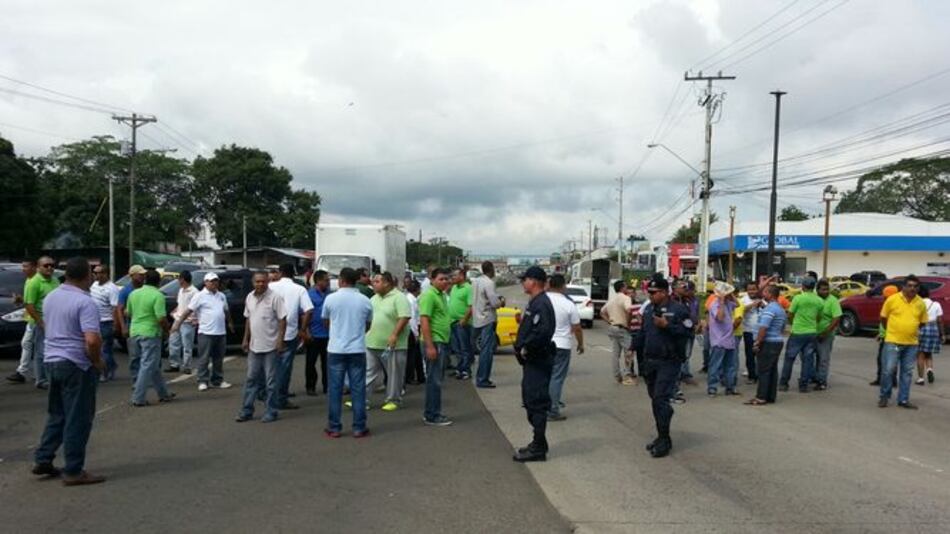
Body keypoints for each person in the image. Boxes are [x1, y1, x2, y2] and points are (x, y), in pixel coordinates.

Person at [31, 257, 107, 486]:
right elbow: (92, 340)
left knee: (58, 414)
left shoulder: (52, 296)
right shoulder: (85, 302)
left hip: (53, 360)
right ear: (87, 276)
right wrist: (97, 362)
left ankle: (43, 458)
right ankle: (74, 470)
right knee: (79, 418)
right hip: (76, 364)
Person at [639, 277, 691, 459]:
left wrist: (668, 325)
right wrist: (632, 349)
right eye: (649, 292)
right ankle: (662, 434)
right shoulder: (648, 309)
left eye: (653, 293)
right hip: (650, 361)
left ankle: (664, 440)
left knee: (660, 399)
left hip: (669, 361)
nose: (650, 295)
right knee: (656, 400)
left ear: (664, 292)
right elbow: (643, 333)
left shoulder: (678, 310)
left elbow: (688, 332)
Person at [322, 267, 373, 438]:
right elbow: (368, 325)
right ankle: (359, 427)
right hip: (357, 348)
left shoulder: (331, 299)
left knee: (335, 389)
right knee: (358, 389)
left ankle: (334, 426)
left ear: (341, 280)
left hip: (336, 348)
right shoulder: (365, 300)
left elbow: (326, 321)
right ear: (356, 280)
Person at [512, 266, 556, 462]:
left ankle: (538, 448)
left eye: (525, 279)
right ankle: (539, 441)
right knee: (529, 400)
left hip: (538, 360)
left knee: (536, 403)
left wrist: (526, 348)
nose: (523, 283)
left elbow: (543, 333)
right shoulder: (535, 302)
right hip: (532, 361)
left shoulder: (542, 304)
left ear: (535, 281)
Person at [237, 271, 287, 423]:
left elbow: (282, 320)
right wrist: (246, 339)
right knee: (251, 379)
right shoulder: (249, 297)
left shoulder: (275, 298)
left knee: (270, 381)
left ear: (267, 282)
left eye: (263, 281)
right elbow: (248, 320)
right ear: (253, 283)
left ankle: (271, 411)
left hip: (271, 346)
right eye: (257, 281)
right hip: (254, 346)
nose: (260, 284)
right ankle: (246, 410)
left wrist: (280, 340)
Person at [173, 272, 234, 391]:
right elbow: (188, 311)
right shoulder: (199, 296)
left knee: (218, 358)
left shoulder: (221, 295)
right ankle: (202, 380)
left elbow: (226, 310)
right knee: (204, 358)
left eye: (215, 280)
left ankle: (217, 380)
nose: (213, 283)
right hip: (206, 332)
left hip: (220, 332)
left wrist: (230, 322)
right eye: (210, 281)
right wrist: (178, 323)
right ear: (205, 282)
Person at [363, 272, 411, 411]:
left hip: (393, 345)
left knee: (394, 373)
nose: (373, 283)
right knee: (368, 372)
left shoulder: (399, 297)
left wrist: (394, 334)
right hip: (372, 342)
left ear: (387, 283)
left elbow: (404, 317)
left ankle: (393, 400)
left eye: (377, 281)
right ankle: (362, 399)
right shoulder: (374, 298)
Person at [878, 275, 928, 409]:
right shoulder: (892, 300)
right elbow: (883, 318)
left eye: (915, 286)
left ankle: (903, 400)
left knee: (907, 373)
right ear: (904, 287)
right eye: (910, 285)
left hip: (911, 344)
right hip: (893, 341)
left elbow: (922, 322)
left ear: (918, 288)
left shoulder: (920, 303)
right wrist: (891, 330)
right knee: (888, 370)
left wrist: (910, 330)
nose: (912, 288)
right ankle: (884, 396)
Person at [269, 263, 313, 410]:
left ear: (280, 272)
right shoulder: (299, 289)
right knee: (285, 368)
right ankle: (281, 398)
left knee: (271, 367)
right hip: (289, 333)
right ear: (293, 273)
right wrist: (303, 329)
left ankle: (269, 394)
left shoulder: (271, 287)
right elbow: (308, 310)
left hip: (271, 333)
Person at [127, 270, 174, 407]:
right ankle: (138, 397)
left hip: (135, 332)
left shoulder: (133, 293)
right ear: (159, 282)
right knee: (148, 365)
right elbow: (161, 318)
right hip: (151, 333)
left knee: (152, 365)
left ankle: (163, 393)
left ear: (145, 280)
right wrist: (167, 330)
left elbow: (128, 312)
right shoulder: (158, 295)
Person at [546, 274, 584, 422]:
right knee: (556, 378)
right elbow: (577, 327)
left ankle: (542, 405)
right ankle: (553, 410)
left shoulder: (543, 300)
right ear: (563, 286)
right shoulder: (568, 304)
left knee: (545, 375)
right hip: (562, 345)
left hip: (544, 343)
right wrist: (580, 344)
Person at [419, 268, 454, 426]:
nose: (445, 282)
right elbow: (424, 321)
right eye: (441, 279)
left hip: (441, 341)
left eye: (447, 279)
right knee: (434, 380)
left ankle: (432, 413)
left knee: (437, 378)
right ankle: (432, 415)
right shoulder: (429, 295)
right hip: (434, 341)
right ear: (432, 280)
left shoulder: (441, 295)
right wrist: (430, 345)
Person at [746, 285, 788, 406]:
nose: (762, 294)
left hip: (768, 342)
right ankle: (770, 396)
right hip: (777, 341)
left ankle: (761, 397)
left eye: (765, 292)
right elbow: (783, 326)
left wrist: (757, 342)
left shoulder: (770, 309)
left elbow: (763, 327)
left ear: (770, 294)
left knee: (763, 370)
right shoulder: (779, 308)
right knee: (772, 370)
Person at [779, 277, 822, 393]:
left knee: (789, 358)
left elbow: (790, 314)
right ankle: (803, 385)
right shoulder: (819, 300)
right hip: (812, 332)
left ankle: (784, 383)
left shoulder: (798, 298)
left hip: (798, 332)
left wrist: (794, 323)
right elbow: (819, 317)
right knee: (808, 360)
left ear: (803, 286)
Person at [23, 256, 60, 389]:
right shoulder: (34, 283)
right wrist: (40, 322)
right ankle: (41, 379)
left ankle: (50, 377)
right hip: (40, 321)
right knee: (41, 351)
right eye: (46, 265)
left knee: (52, 350)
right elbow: (29, 305)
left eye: (51, 265)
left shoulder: (55, 280)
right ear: (38, 267)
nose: (49, 267)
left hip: (54, 320)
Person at [471, 261, 504, 388]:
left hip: (476, 318)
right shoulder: (489, 283)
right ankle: (483, 379)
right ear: (491, 270)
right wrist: (501, 301)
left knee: (479, 348)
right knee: (487, 350)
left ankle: (479, 376)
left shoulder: (476, 281)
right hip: (487, 319)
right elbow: (495, 303)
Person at [6, 259, 38, 384]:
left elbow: (35, 302)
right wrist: (20, 300)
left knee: (29, 344)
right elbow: (29, 300)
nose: (23, 269)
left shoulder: (36, 281)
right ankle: (35, 372)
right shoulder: (29, 280)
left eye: (26, 266)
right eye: (23, 266)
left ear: (34, 267)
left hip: (37, 319)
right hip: (31, 319)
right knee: (32, 345)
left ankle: (23, 371)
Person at [706, 283, 739, 396]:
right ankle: (712, 387)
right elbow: (720, 318)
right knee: (715, 365)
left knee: (730, 365)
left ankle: (730, 387)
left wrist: (731, 294)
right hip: (719, 340)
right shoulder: (715, 305)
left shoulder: (728, 303)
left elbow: (738, 304)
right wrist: (720, 301)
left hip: (729, 339)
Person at [88, 265, 119, 382]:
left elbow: (115, 308)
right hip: (94, 321)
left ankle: (105, 372)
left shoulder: (112, 288)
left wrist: (115, 324)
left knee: (104, 349)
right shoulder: (94, 285)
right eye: (94, 273)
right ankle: (110, 366)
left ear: (105, 274)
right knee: (98, 348)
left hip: (106, 322)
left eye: (98, 273)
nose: (95, 275)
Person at [601, 280, 634, 385]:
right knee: (629, 352)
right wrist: (628, 324)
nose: (627, 289)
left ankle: (617, 375)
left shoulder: (612, 299)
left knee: (615, 353)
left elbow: (602, 312)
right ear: (622, 288)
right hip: (622, 327)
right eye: (625, 287)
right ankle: (627, 375)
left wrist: (609, 321)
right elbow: (629, 310)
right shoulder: (626, 298)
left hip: (613, 327)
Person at [116, 265, 146, 381]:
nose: (143, 277)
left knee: (146, 357)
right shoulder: (126, 291)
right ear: (132, 276)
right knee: (135, 357)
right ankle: (136, 379)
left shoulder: (145, 288)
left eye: (143, 275)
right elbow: (119, 309)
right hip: (132, 326)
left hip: (145, 326)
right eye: (140, 274)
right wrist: (123, 327)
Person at [166, 271, 198, 374]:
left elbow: (194, 308)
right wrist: (175, 312)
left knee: (187, 345)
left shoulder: (194, 292)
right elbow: (180, 304)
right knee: (173, 342)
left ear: (183, 279)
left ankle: (186, 366)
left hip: (188, 321)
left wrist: (195, 320)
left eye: (179, 279)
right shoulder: (181, 291)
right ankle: (174, 364)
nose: (178, 281)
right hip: (178, 319)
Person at [305, 270, 331, 396]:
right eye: (326, 280)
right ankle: (310, 386)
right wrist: (306, 331)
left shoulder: (330, 294)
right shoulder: (309, 295)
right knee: (311, 362)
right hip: (314, 334)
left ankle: (328, 386)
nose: (328, 282)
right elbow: (304, 314)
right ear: (319, 281)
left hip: (328, 334)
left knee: (327, 363)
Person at [814, 279, 842, 390]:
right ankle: (814, 376)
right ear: (817, 290)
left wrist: (825, 332)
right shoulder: (814, 299)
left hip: (826, 334)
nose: (826, 292)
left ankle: (822, 381)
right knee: (809, 357)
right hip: (812, 332)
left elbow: (836, 318)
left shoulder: (833, 300)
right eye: (823, 289)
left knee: (823, 358)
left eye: (827, 289)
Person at [870, 285, 900, 386]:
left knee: (890, 360)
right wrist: (880, 333)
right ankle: (880, 379)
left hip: (891, 337)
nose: (884, 298)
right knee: (881, 359)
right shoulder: (887, 305)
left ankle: (892, 380)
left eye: (886, 296)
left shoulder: (894, 307)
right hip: (885, 336)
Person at [448, 269, 474, 380]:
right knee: (456, 348)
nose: (452, 277)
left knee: (464, 348)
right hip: (452, 322)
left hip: (462, 323)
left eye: (455, 275)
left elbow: (471, 306)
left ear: (462, 276)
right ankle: (459, 369)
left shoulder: (468, 288)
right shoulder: (454, 287)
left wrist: (464, 319)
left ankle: (466, 370)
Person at [916, 285, 943, 386]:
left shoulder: (917, 304)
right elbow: (940, 320)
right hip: (933, 329)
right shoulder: (936, 304)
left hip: (921, 328)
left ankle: (920, 378)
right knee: (929, 354)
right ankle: (930, 370)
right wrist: (942, 334)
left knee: (920, 355)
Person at [740, 282, 763, 384]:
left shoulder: (762, 299)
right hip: (748, 331)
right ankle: (752, 376)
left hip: (761, 332)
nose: (752, 291)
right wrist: (753, 305)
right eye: (749, 289)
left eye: (754, 289)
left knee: (760, 354)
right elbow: (741, 310)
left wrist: (761, 304)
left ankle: (760, 375)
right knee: (750, 355)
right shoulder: (743, 300)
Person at [404, 280, 426, 385]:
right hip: (412, 330)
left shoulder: (411, 299)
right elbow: (412, 318)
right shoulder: (411, 300)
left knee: (416, 355)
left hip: (413, 329)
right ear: (417, 289)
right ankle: (410, 377)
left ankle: (420, 376)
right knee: (412, 355)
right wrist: (416, 333)